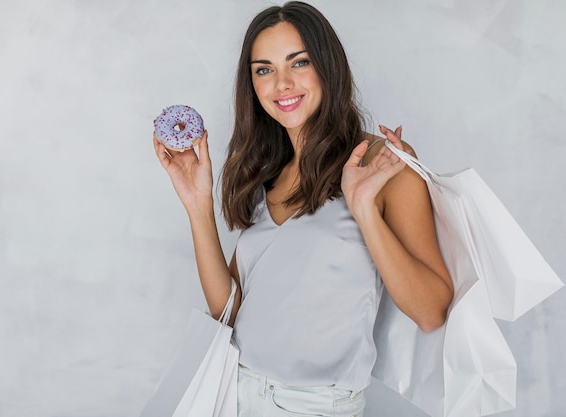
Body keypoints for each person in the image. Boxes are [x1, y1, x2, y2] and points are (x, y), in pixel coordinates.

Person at [153, 2, 453, 416]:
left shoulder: (382, 164)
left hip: (312, 406)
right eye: (264, 69)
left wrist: (362, 205)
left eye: (300, 62)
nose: (282, 84)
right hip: (233, 394)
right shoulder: (267, 173)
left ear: (328, 65)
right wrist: (197, 204)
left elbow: (431, 311)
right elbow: (230, 314)